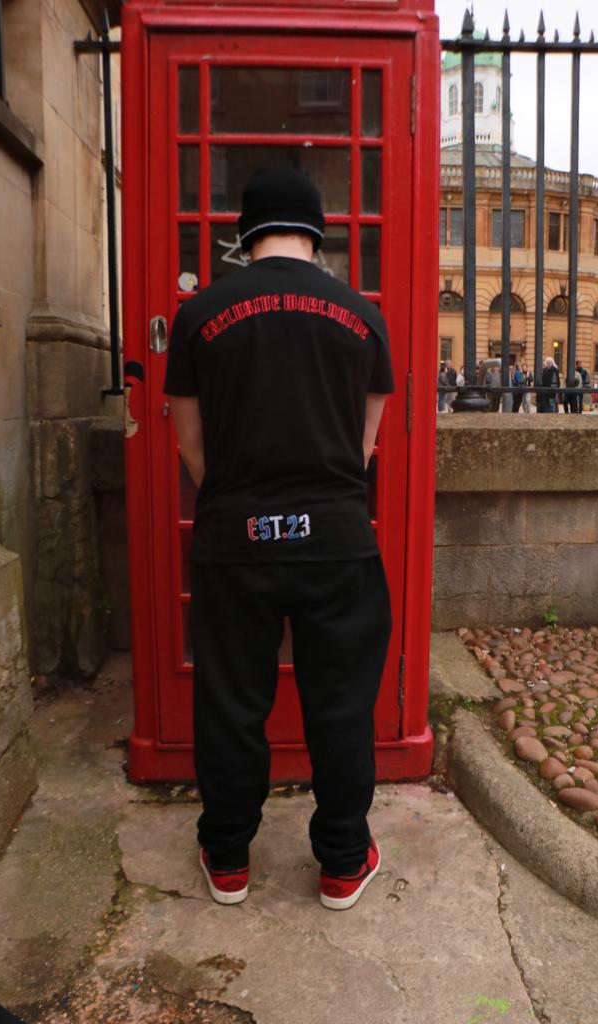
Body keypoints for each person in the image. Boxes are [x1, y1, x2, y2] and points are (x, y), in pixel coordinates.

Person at [164, 167, 393, 912]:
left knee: (231, 702)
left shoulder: (201, 312)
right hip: (335, 537)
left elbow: (188, 443)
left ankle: (227, 858)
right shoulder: (362, 314)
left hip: (236, 536)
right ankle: (341, 862)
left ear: (246, 232)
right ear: (317, 230)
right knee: (340, 705)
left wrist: (240, 500)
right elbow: (365, 443)